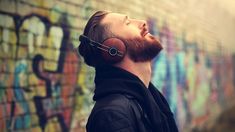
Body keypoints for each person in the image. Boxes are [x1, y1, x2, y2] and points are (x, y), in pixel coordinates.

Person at [78, 10, 178, 132]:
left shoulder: (149, 99)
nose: (143, 23)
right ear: (113, 49)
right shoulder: (112, 115)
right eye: (128, 23)